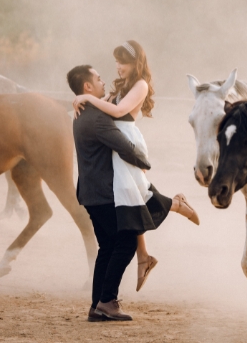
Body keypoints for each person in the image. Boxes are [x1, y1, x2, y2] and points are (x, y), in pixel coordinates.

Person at [72, 41, 199, 295]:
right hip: (115, 142)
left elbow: (118, 110)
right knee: (132, 199)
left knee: (135, 197)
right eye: (117, 62)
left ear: (136, 63)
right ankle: (144, 256)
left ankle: (175, 204)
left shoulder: (140, 85)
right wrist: (88, 100)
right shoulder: (122, 85)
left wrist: (86, 97)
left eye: (123, 62)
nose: (118, 67)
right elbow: (105, 107)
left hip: (126, 141)